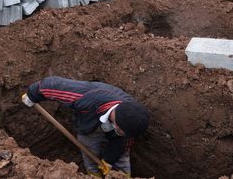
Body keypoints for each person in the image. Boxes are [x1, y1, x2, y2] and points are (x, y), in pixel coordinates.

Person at [21, 76, 150, 177]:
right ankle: (93, 176)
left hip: (113, 125)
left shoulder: (132, 121)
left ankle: (121, 176)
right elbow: (54, 85)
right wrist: (33, 94)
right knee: (90, 152)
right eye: (122, 132)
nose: (125, 135)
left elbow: (123, 142)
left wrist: (109, 160)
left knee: (121, 158)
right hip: (89, 123)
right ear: (117, 122)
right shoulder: (86, 96)